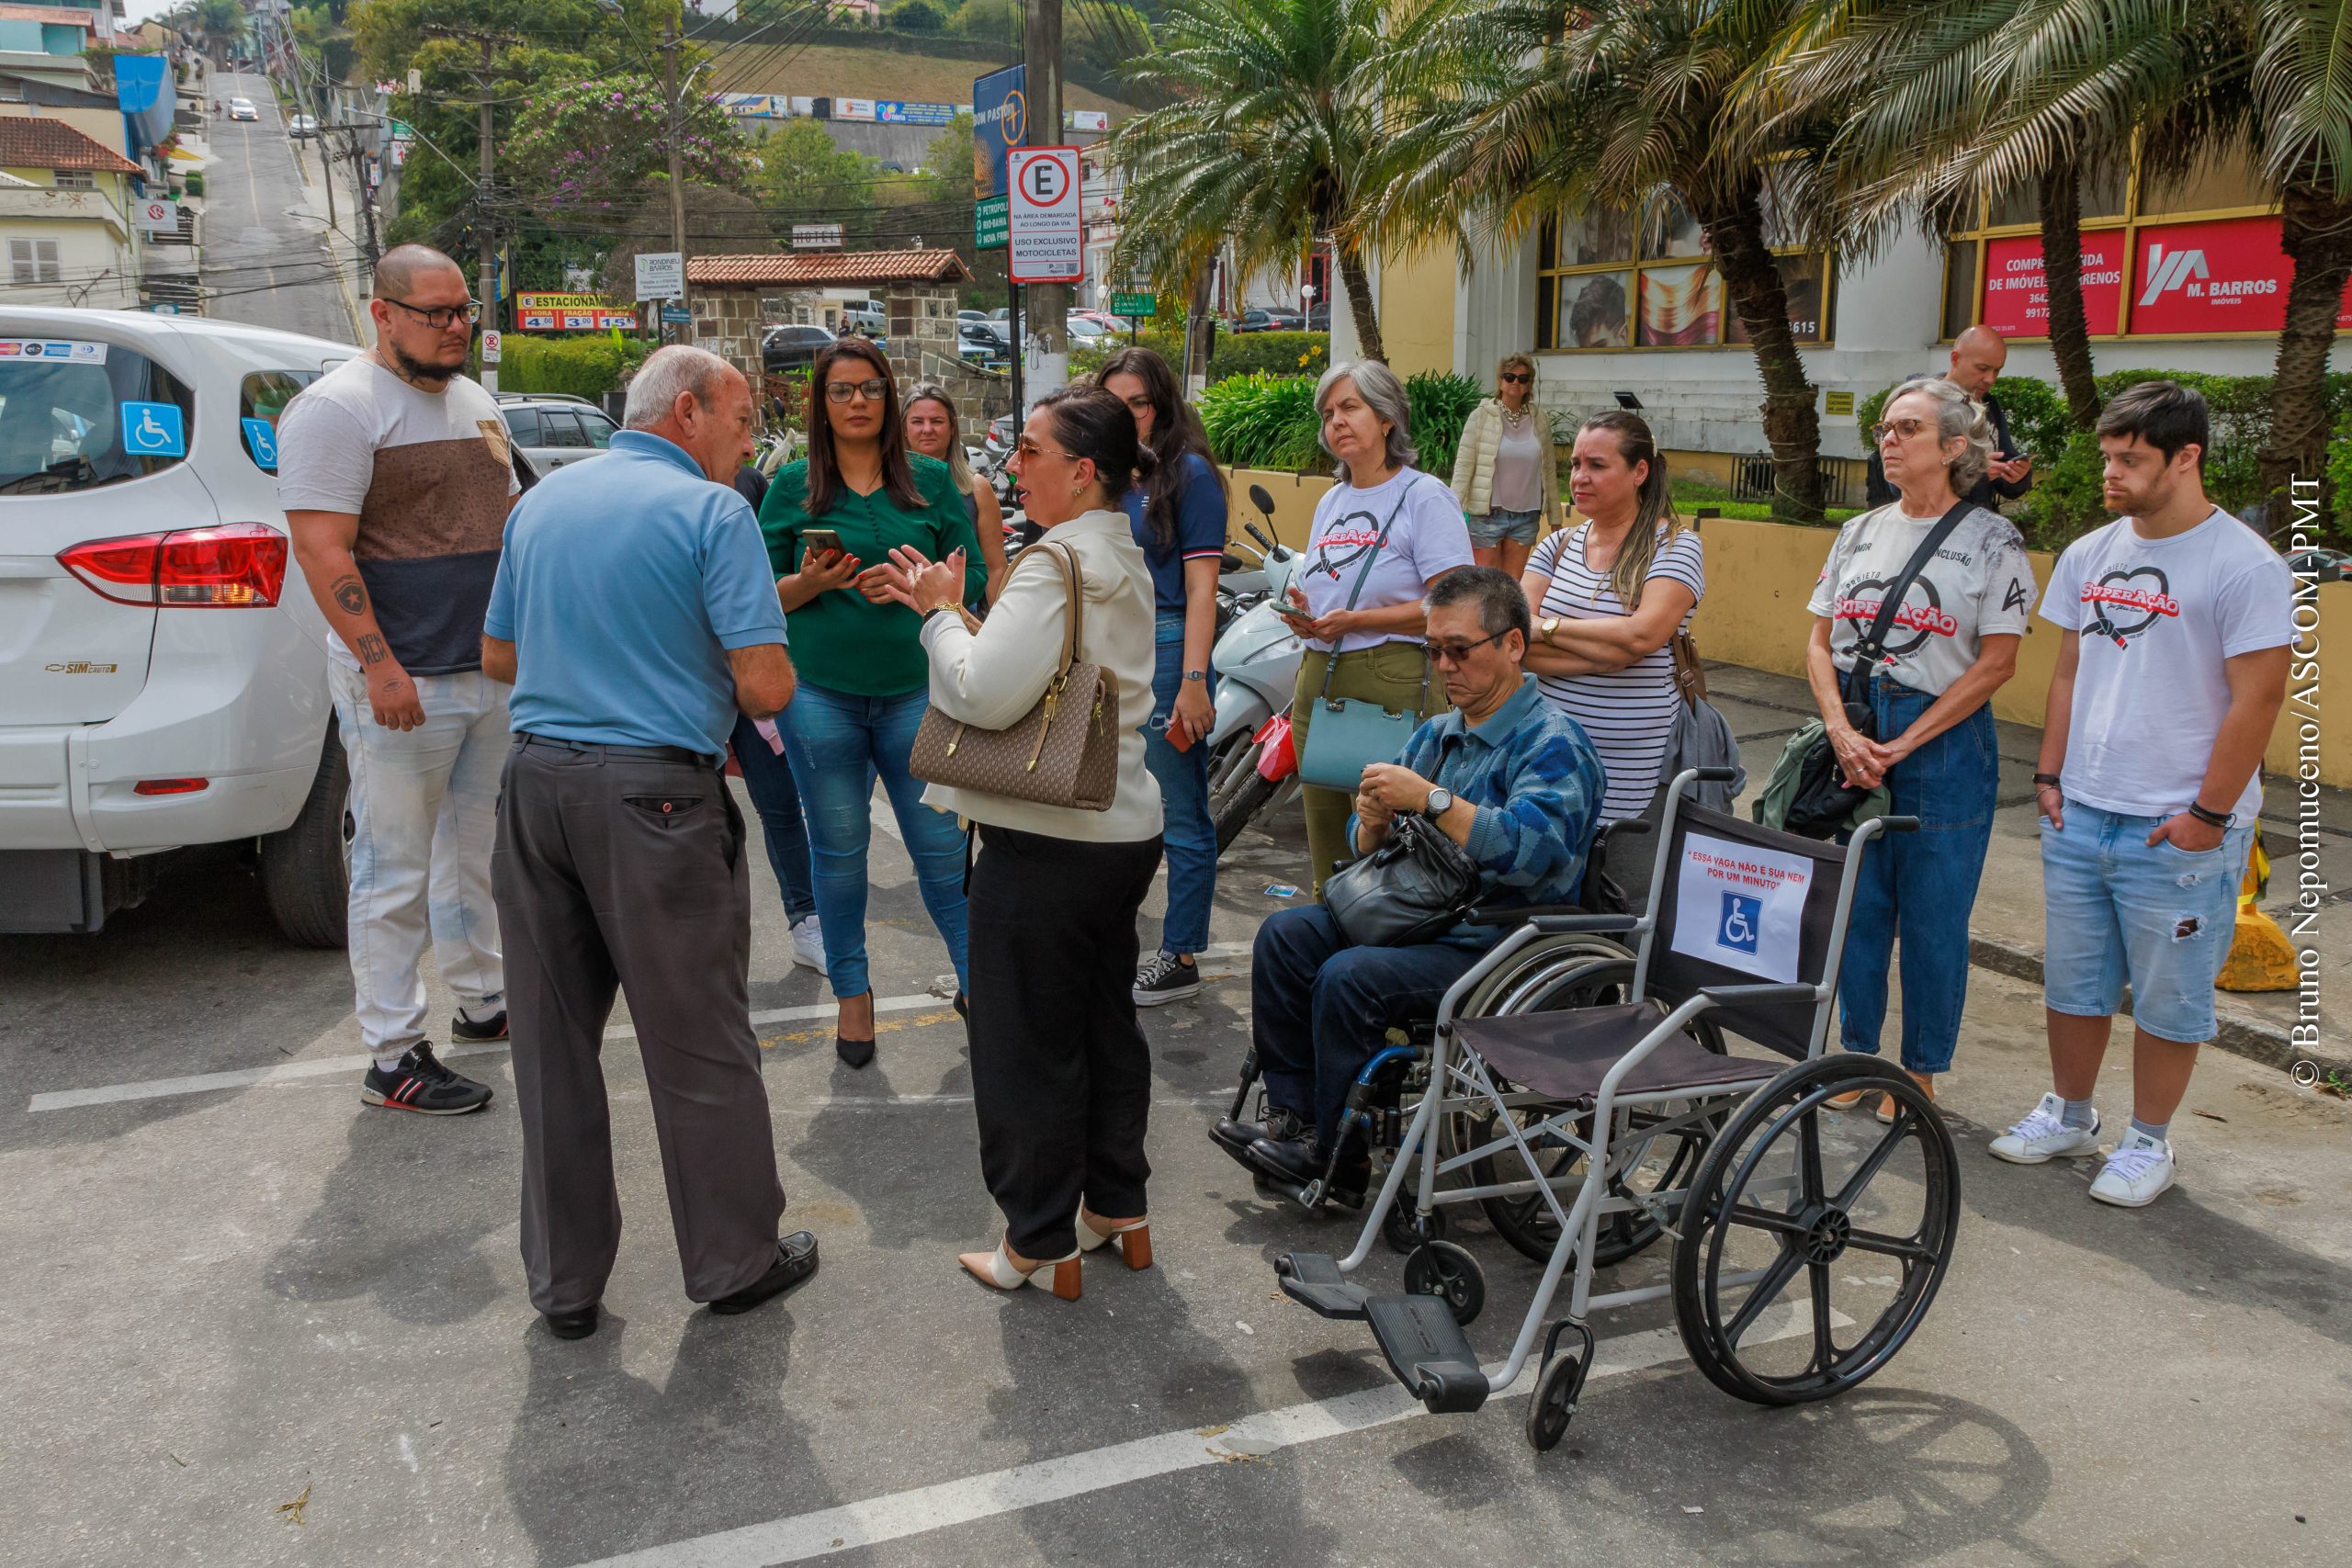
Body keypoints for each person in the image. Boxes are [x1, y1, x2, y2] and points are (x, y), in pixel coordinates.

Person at [481, 346, 820, 1339]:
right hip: (654, 799)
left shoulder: (539, 504)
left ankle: (565, 1287)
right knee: (697, 1042)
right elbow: (766, 688)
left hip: (536, 784)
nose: (750, 440)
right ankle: (733, 1260)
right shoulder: (715, 514)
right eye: (744, 417)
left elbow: (498, 654)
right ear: (687, 411)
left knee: (550, 1047)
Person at [875, 385, 1163, 1302]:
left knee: (1022, 1044)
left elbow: (983, 695)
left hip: (1047, 839)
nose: (1015, 466)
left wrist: (933, 612)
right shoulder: (1118, 549)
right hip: (1120, 826)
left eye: (1032, 451)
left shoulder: (1052, 562)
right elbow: (1037, 673)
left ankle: (1036, 1237)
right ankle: (1118, 1204)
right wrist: (962, 617)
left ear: (1083, 472)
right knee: (1102, 1023)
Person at [1993, 381, 2291, 1207]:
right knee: (2074, 981)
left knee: (2170, 995)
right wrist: (2050, 777)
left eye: (2131, 459)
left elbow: (2258, 700)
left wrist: (2206, 815)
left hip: (2179, 826)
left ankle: (2148, 1142)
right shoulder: (2092, 553)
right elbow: (2069, 670)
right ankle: (2071, 1113)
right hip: (2083, 808)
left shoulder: (2243, 565)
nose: (2111, 473)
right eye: (2107, 456)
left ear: (2186, 457)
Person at [1224, 569, 1606, 1196]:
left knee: (1351, 977)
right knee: (1285, 937)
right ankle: (1294, 1121)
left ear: (1513, 645)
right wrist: (1370, 824)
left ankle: (1336, 1155)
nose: (1445, 666)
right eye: (1434, 651)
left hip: (1498, 941)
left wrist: (1431, 800)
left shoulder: (1554, 742)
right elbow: (1366, 848)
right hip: (1419, 917)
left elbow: (1531, 853)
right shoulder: (1438, 732)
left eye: (1460, 649)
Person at [279, 243, 511, 1117]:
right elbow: (322, 548)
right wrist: (380, 667)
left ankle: (483, 1002)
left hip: (485, 672)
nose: (455, 327)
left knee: (473, 854)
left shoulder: (474, 398)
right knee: (391, 868)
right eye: (435, 313)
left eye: (462, 312)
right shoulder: (337, 410)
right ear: (381, 313)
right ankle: (393, 1054)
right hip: (404, 682)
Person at [1806, 375, 2031, 1117]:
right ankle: (1859, 1053)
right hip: (1859, 727)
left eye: (1907, 428)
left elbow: (1998, 662)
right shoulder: (1858, 532)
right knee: (1860, 907)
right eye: (1883, 429)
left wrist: (1903, 744)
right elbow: (1818, 641)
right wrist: (1842, 730)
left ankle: (1921, 1071)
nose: (1889, 440)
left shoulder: (1992, 540)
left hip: (1941, 740)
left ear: (1953, 446)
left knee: (1934, 914)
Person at [760, 340, 986, 1067]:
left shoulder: (927, 481)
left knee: (943, 850)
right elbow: (757, 594)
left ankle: (982, 985)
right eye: (842, 390)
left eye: (871, 389)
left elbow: (971, 575)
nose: (858, 401)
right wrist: (816, 584)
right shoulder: (791, 486)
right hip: (819, 693)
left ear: (889, 400)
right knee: (840, 850)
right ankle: (853, 998)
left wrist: (924, 587)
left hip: (917, 691)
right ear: (820, 404)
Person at [1287, 359, 1476, 896]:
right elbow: (1328, 578)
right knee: (1325, 829)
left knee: (1390, 833)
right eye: (1328, 413)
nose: (1336, 422)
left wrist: (1357, 620)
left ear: (1387, 418)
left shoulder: (1422, 495)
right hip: (1320, 675)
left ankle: (1382, 943)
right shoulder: (1333, 499)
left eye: (1350, 407)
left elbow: (1454, 601)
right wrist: (1305, 607)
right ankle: (1328, 929)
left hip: (1391, 674)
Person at [1099, 345, 1229, 1007]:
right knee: (1109, 801)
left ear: (1162, 407)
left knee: (1179, 810)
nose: (1127, 414)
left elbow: (1203, 588)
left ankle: (1180, 952)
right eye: (1114, 402)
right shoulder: (1106, 474)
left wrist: (1195, 680)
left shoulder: (1189, 475)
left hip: (1169, 645)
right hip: (1106, 650)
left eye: (1139, 402)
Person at [1519, 412, 1705, 821]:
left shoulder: (1675, 547)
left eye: (1597, 465)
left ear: (1639, 471)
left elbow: (1641, 637)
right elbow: (1513, 642)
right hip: (1546, 751)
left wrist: (1546, 628)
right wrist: (1608, 654)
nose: (1579, 477)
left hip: (1631, 765)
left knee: (1619, 874)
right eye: (1576, 465)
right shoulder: (1557, 545)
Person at [1865, 324, 2035, 509]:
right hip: (1929, 524)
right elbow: (1901, 483)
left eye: (1997, 370)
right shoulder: (1920, 403)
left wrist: (2018, 475)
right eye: (1982, 368)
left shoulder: (1989, 406)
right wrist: (1975, 474)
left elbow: (2006, 474)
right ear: (1955, 359)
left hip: (1975, 523)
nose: (1990, 379)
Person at [1449, 353, 1564, 577]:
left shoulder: (1539, 419)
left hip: (1526, 516)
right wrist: (1451, 510)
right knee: (1485, 585)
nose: (1515, 383)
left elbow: (1549, 470)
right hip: (1487, 514)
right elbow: (1464, 466)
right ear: (1500, 381)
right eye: (1510, 377)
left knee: (1511, 587)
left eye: (1523, 379)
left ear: (1529, 385)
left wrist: (1555, 517)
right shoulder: (1481, 416)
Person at [903, 382, 1011, 606]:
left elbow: (994, 567)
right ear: (903, 428)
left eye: (937, 421)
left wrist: (996, 625)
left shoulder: (976, 488)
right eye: (917, 421)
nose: (927, 429)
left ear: (952, 427)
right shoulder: (885, 486)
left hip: (961, 616)